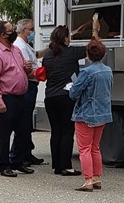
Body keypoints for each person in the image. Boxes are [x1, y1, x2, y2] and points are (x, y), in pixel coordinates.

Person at [0, 21, 35, 177]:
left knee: (24, 131)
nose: (14, 31)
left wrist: (27, 68)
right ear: (3, 35)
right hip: (6, 98)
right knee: (5, 133)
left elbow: (22, 72)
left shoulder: (15, 50)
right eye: (11, 30)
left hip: (21, 97)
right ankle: (5, 165)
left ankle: (17, 161)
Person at [42, 24, 90, 176]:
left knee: (56, 132)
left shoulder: (48, 55)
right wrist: (94, 29)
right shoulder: (71, 52)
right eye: (68, 36)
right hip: (65, 96)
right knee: (67, 131)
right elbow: (93, 47)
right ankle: (66, 166)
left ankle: (57, 165)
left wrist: (74, 33)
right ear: (65, 38)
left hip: (50, 97)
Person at [69, 38, 113, 192]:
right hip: (102, 113)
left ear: (88, 54)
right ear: (103, 53)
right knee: (95, 147)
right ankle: (97, 177)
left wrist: (72, 87)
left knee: (84, 149)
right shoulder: (108, 70)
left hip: (86, 113)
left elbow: (74, 93)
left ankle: (87, 179)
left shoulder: (87, 72)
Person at [9, 19, 45, 166]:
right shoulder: (20, 46)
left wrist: (50, 48)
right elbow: (24, 71)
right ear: (24, 30)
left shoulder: (26, 45)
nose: (32, 32)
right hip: (28, 86)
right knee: (23, 122)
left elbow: (35, 55)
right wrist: (40, 74)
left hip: (32, 85)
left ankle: (26, 152)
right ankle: (18, 155)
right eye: (31, 29)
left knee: (27, 121)